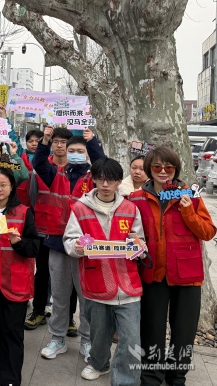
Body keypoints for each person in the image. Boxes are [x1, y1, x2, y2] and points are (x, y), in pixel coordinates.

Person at [130, 146, 216, 386]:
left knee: (184, 331)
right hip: (153, 272)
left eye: (169, 167)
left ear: (176, 169)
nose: (163, 171)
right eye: (157, 166)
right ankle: (151, 376)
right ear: (149, 168)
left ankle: (177, 375)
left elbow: (208, 232)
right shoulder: (137, 198)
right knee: (151, 328)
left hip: (187, 275)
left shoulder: (190, 195)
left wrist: (188, 211)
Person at [64, 158, 146, 383]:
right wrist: (76, 247)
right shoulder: (80, 208)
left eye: (110, 180)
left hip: (128, 286)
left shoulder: (130, 208)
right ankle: (99, 363)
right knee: (99, 334)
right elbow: (69, 240)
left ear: (119, 181)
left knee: (130, 338)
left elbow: (141, 242)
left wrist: (139, 248)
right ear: (94, 180)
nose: (105, 184)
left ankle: (126, 380)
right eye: (100, 179)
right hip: (96, 283)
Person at [34, 127, 105, 362]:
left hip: (86, 244)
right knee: (60, 295)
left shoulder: (94, 178)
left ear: (87, 154)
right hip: (58, 241)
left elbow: (102, 164)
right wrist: (45, 141)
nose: (74, 154)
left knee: (87, 297)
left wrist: (92, 142)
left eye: (80, 151)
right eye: (71, 150)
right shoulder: (56, 173)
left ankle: (87, 341)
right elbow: (39, 164)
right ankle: (57, 338)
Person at [0, 167, 38, 386]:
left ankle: (10, 379)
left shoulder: (24, 212)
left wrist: (18, 243)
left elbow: (34, 248)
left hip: (16, 284)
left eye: (3, 184)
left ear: (12, 186)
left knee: (13, 333)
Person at [24, 127, 74, 331]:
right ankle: (38, 310)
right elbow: (33, 194)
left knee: (70, 275)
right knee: (43, 271)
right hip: (43, 227)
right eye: (56, 141)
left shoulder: (78, 169)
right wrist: (44, 140)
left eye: (64, 142)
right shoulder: (44, 167)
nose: (60, 145)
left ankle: (69, 317)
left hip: (69, 229)